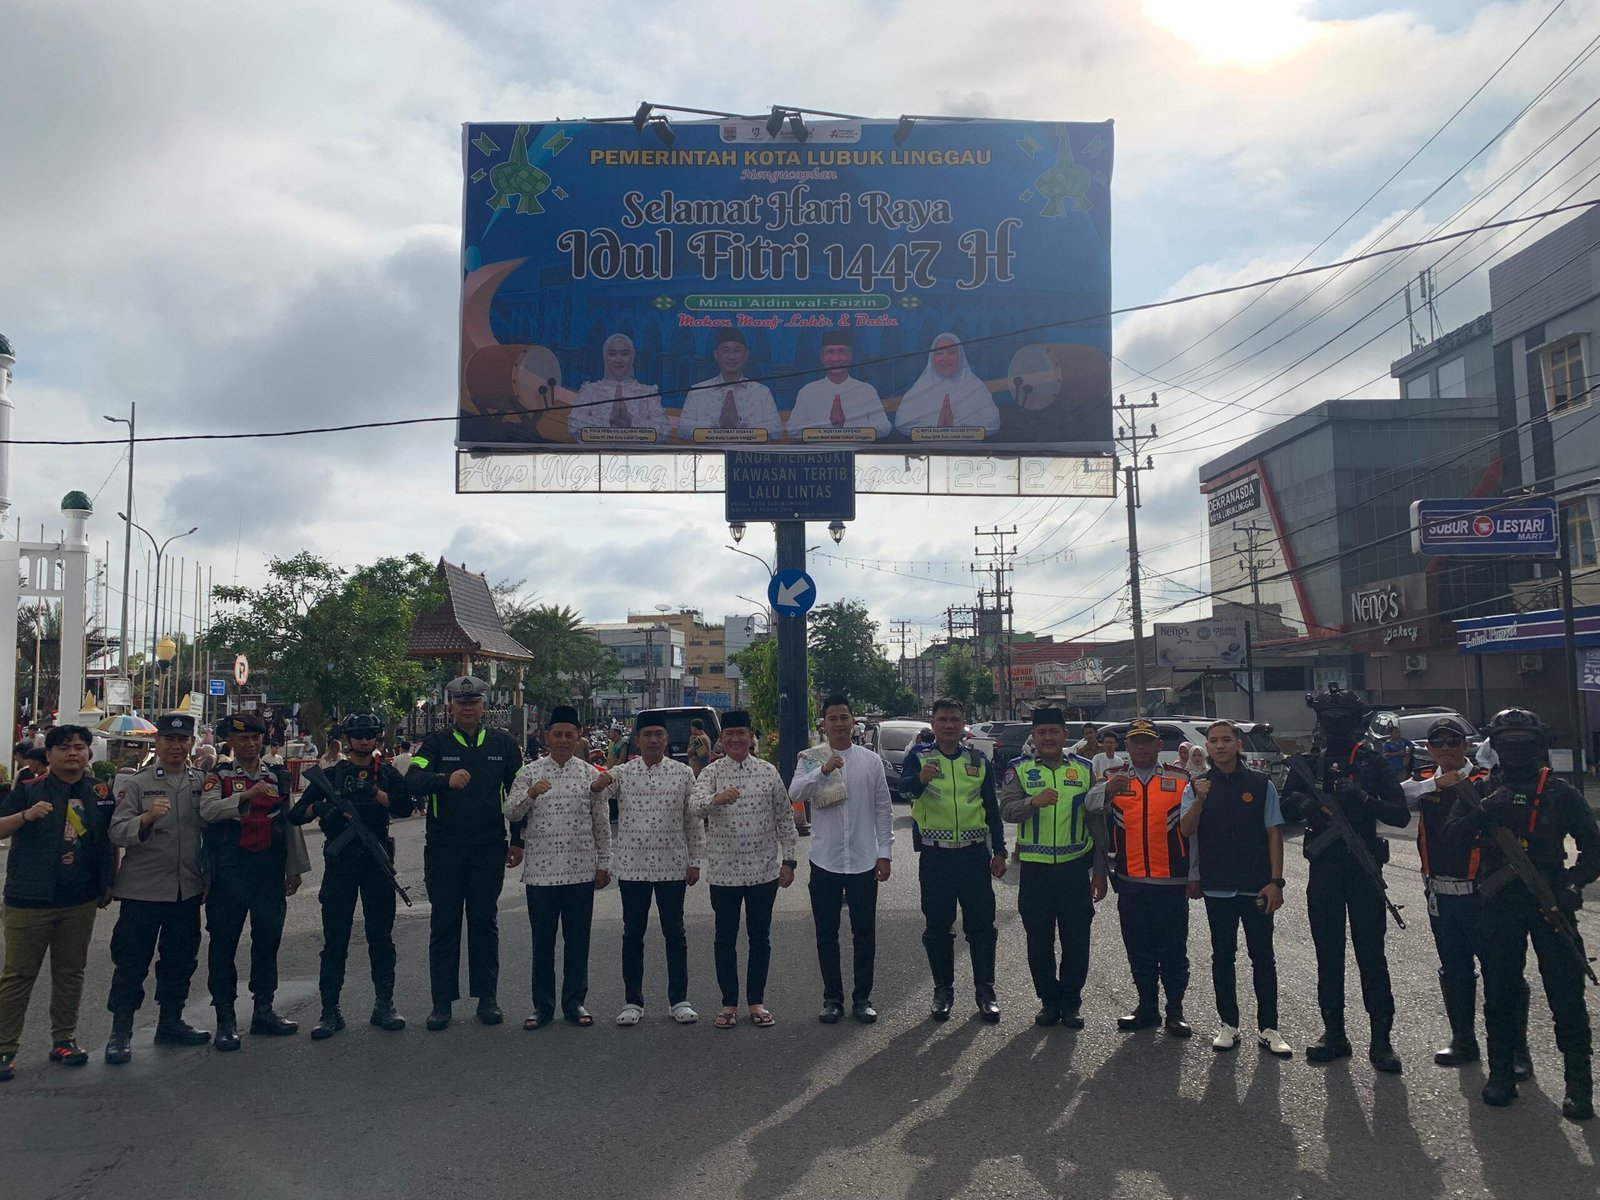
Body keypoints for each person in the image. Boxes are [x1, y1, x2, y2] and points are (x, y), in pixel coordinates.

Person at [1445, 708, 1599, 1119]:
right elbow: (1452, 838)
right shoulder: (1479, 790)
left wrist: (1572, 885)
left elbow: (1593, 848)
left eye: (1524, 742)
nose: (1515, 749)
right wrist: (1482, 811)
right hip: (1500, 903)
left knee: (1566, 995)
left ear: (1539, 746)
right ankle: (1501, 1074)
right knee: (1500, 992)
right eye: (1507, 742)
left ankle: (1579, 1085)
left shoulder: (1560, 793)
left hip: (1550, 901)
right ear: (1495, 745)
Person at [1279, 685, 1410, 1072]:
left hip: (1363, 869)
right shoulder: (1308, 763)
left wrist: (1363, 798)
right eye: (1328, 718)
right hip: (1325, 870)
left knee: (1372, 955)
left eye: (1343, 719)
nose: (1335, 725)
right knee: (1328, 955)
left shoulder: (1372, 762)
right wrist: (1303, 802)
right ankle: (1334, 1033)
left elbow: (1400, 814)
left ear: (1356, 723)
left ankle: (1382, 1040)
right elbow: (1285, 807)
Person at [1401, 718, 1526, 1075]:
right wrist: (1436, 784)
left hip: (1484, 893)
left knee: (1501, 972)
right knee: (1454, 969)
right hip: (1441, 892)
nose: (1446, 748)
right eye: (1438, 743)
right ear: (1429, 749)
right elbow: (1398, 797)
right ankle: (1463, 1039)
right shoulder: (1425, 781)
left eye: (1453, 741)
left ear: (1466, 745)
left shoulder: (1485, 779)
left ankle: (1516, 1050)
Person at [403, 675, 525, 1031]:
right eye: (461, 702)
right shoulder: (435, 744)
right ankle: (441, 1003)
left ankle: (487, 999)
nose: (467, 708)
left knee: (485, 923)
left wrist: (518, 840)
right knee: (445, 925)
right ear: (451, 707)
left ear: (484, 705)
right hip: (445, 849)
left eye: (473, 702)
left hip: (489, 847)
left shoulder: (504, 743)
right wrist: (445, 780)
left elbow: (518, 794)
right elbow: (412, 779)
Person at [0, 725, 116, 1082]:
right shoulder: (28, 789)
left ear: (88, 753)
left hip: (79, 898)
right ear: (48, 755)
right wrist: (25, 815)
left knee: (70, 971)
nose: (73, 753)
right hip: (30, 897)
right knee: (18, 975)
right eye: (64, 748)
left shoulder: (99, 791)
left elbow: (109, 840)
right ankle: (5, 1048)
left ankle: (64, 1040)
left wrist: (108, 883)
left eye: (79, 747)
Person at [290, 713, 411, 1039]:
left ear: (377, 738)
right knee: (335, 939)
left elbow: (404, 807)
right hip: (341, 863)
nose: (363, 740)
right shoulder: (331, 775)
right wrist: (320, 809)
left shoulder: (386, 773)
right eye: (357, 735)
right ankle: (330, 1011)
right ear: (346, 739)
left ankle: (384, 1004)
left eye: (369, 734)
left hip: (375, 862)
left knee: (381, 936)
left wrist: (372, 792)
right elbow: (296, 814)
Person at [1178, 720, 1291, 1057]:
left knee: (1263, 957)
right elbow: (1186, 830)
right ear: (1207, 747)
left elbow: (1274, 833)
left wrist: (1276, 881)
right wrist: (1199, 800)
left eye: (1226, 739)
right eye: (1213, 741)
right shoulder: (1196, 785)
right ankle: (1228, 1024)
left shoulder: (1260, 784)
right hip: (1218, 887)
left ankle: (1269, 1028)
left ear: (1238, 744)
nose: (1220, 746)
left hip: (1257, 887)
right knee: (1223, 957)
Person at [104, 713, 212, 1064]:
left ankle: (171, 1021)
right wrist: (146, 818)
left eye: (183, 740)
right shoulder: (137, 784)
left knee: (180, 960)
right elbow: (116, 831)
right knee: (131, 962)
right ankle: (121, 1032)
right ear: (158, 743)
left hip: (186, 889)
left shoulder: (201, 782)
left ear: (192, 743)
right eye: (169, 739)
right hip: (143, 890)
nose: (176, 746)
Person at [199, 711, 310, 1050]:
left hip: (268, 870)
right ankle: (225, 1019)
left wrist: (294, 868)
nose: (250, 744)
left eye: (255, 738)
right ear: (230, 742)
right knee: (224, 944)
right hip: (229, 871)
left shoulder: (277, 775)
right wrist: (244, 797)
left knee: (268, 940)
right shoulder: (218, 776)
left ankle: (264, 1010)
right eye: (243, 738)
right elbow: (208, 812)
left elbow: (289, 823)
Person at [592, 712, 703, 1026]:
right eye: (647, 735)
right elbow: (597, 792)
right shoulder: (623, 773)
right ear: (637, 741)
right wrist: (598, 783)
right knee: (632, 934)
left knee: (675, 933)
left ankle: (679, 1000)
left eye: (658, 734)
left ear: (666, 740)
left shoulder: (683, 773)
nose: (653, 740)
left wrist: (695, 860)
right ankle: (632, 1001)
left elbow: (692, 820)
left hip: (672, 866)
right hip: (633, 867)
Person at [1087, 718, 1196, 1038]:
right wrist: (1106, 790)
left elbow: (1195, 832)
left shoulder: (1181, 779)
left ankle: (1175, 1010)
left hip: (1171, 881)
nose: (1142, 747)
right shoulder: (1113, 778)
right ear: (1127, 746)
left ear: (1159, 746)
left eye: (1148, 741)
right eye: (1135, 741)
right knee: (1138, 949)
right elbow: (1090, 812)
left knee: (1173, 950)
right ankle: (1147, 1006)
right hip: (1130, 880)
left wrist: (1195, 874)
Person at [901, 697, 1007, 1023]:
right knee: (937, 927)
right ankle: (942, 991)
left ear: (963, 724)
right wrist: (920, 780)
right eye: (942, 719)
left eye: (954, 719)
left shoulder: (977, 759)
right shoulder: (919, 757)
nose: (949, 725)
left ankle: (985, 992)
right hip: (936, 855)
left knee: (982, 926)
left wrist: (1000, 850)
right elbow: (904, 791)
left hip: (974, 855)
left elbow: (991, 808)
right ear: (932, 723)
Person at [789, 695, 893, 1025]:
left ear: (853, 721)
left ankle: (862, 998)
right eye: (832, 718)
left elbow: (883, 809)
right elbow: (794, 793)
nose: (838, 723)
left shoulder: (870, 761)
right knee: (826, 933)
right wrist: (822, 771)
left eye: (844, 717)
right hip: (825, 860)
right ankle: (832, 998)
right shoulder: (810, 758)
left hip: (863, 859)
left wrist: (885, 853)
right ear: (824, 724)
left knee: (864, 934)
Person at [998, 707, 1105, 1029]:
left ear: (1065, 735)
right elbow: (1007, 810)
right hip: (1036, 871)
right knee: (1039, 940)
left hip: (1074, 870)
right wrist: (1032, 802)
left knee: (1077, 940)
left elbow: (1096, 821)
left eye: (1054, 732)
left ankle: (1071, 1003)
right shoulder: (1018, 769)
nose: (1048, 737)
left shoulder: (1084, 769)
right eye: (1042, 732)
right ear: (1033, 736)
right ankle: (1048, 1002)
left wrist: (1100, 870)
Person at [505, 706, 610, 1029]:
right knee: (543, 943)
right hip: (541, 873)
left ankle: (575, 1002)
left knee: (577, 941)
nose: (563, 740)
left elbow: (601, 822)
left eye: (569, 735)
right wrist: (530, 795)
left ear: (579, 737)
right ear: (546, 737)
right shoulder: (530, 772)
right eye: (557, 734)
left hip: (580, 870)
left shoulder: (591, 775)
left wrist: (604, 862)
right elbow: (511, 812)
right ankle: (542, 1006)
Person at [691, 711, 797, 1029]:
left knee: (759, 938)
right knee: (724, 938)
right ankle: (728, 1004)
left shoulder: (767, 772)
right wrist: (717, 799)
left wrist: (789, 861)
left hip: (763, 871)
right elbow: (694, 806)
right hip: (724, 873)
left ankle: (756, 1001)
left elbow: (784, 818)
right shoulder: (711, 772)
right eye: (730, 734)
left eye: (742, 733)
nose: (736, 739)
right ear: (722, 739)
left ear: (751, 736)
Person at [677, 330, 782, 440]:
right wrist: (717, 424)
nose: (731, 356)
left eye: (737, 350)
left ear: (746, 354)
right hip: (711, 451)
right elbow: (682, 430)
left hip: (747, 451)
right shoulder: (698, 391)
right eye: (726, 350)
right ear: (716, 355)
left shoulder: (761, 392)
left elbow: (776, 430)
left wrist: (740, 424)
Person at [786, 331, 891, 439]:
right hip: (819, 449)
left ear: (850, 357)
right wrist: (826, 431)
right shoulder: (808, 392)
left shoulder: (866, 391)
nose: (835, 358)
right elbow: (793, 429)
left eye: (841, 351)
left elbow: (884, 427)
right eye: (830, 352)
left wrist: (850, 431)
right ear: (822, 357)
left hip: (856, 449)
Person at [892, 333, 1001, 436]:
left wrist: (955, 423)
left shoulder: (975, 387)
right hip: (926, 449)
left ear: (960, 356)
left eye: (951, 352)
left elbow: (993, 422)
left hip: (968, 449)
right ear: (932, 357)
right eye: (939, 353)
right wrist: (935, 424)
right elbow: (901, 422)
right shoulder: (920, 388)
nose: (945, 358)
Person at [568, 332, 672, 440]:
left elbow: (663, 432)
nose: (618, 360)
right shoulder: (590, 391)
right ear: (605, 357)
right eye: (612, 354)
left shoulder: (647, 393)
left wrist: (631, 422)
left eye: (624, 354)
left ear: (632, 357)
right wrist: (609, 421)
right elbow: (574, 428)